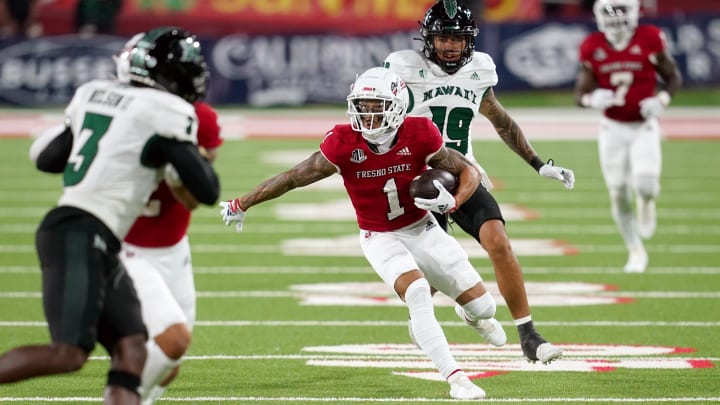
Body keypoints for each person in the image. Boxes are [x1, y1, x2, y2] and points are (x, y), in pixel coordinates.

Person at [221, 67, 506, 400]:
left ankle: (470, 316)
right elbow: (293, 177)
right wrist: (242, 203)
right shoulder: (343, 143)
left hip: (422, 227)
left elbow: (466, 170)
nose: (369, 115)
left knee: (484, 309)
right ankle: (457, 378)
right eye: (363, 106)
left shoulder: (421, 133)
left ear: (398, 106)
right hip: (379, 235)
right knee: (416, 291)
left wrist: (454, 202)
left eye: (377, 106)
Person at [0, 26, 220, 404]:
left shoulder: (94, 94)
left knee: (133, 349)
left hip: (94, 235)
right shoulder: (168, 111)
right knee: (68, 353)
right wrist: (170, 154)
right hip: (80, 230)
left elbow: (47, 158)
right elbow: (208, 190)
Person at [383, 0, 572, 364]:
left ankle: (529, 334)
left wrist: (537, 164)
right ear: (428, 38)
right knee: (433, 277)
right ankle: (466, 312)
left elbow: (500, 119)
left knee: (498, 240)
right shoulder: (404, 69)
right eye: (443, 37)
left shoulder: (480, 70)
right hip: (418, 182)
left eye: (458, 38)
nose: (451, 45)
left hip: (463, 175)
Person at [113, 31, 224, 405]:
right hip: (124, 244)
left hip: (173, 247)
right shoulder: (121, 112)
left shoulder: (200, 118)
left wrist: (176, 170)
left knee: (169, 361)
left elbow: (194, 199)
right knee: (170, 341)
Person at [574, 0, 681, 273]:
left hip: (643, 126)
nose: (615, 16)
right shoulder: (593, 45)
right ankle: (635, 250)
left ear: (632, 11)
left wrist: (663, 100)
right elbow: (580, 94)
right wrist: (590, 99)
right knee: (618, 191)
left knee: (646, 186)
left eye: (620, 9)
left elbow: (672, 76)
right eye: (610, 10)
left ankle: (646, 202)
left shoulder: (649, 38)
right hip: (612, 128)